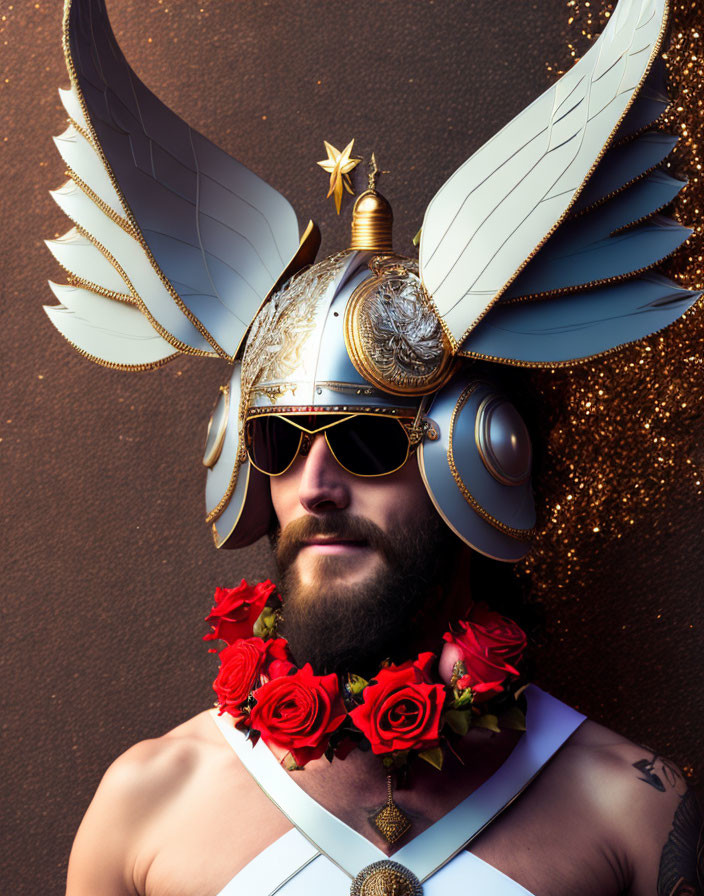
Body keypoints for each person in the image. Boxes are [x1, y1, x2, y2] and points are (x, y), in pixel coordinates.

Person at [45, 0, 702, 894]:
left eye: (364, 442)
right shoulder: (150, 803)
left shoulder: (632, 812)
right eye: (278, 442)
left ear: (479, 458)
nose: (314, 484)